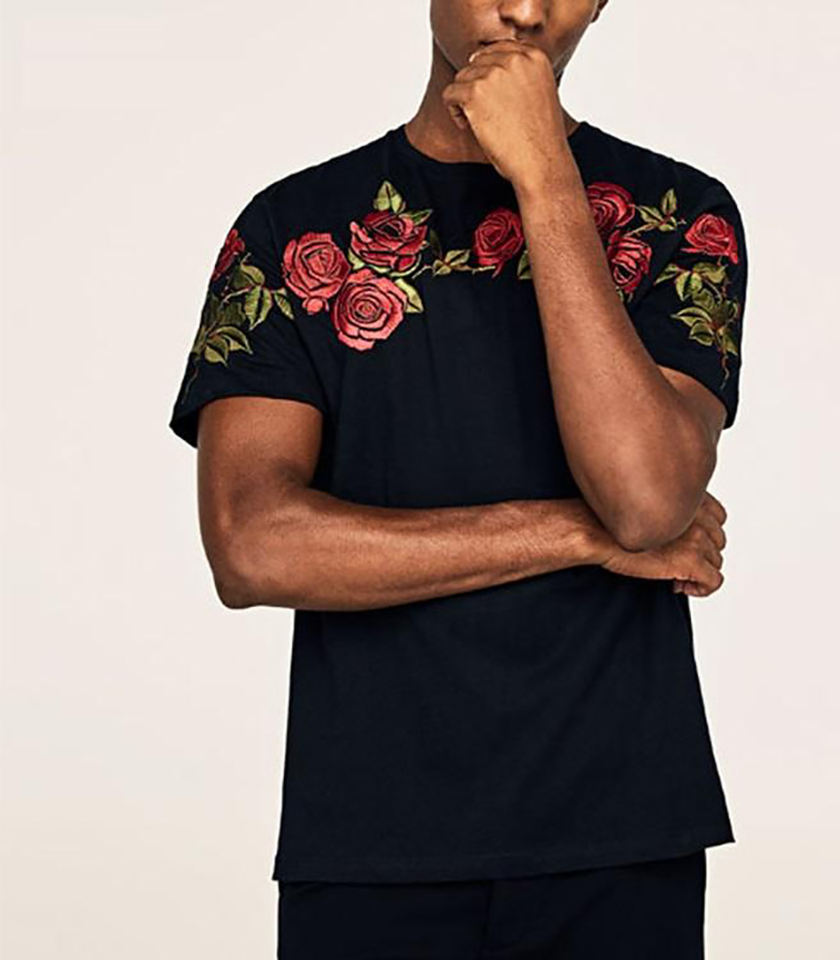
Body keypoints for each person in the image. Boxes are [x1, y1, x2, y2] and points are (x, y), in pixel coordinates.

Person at [168, 1, 748, 956]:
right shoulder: (289, 228)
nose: (525, 10)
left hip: (620, 831)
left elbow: (647, 500)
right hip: (369, 838)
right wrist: (578, 535)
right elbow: (252, 547)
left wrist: (546, 177)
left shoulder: (680, 215)